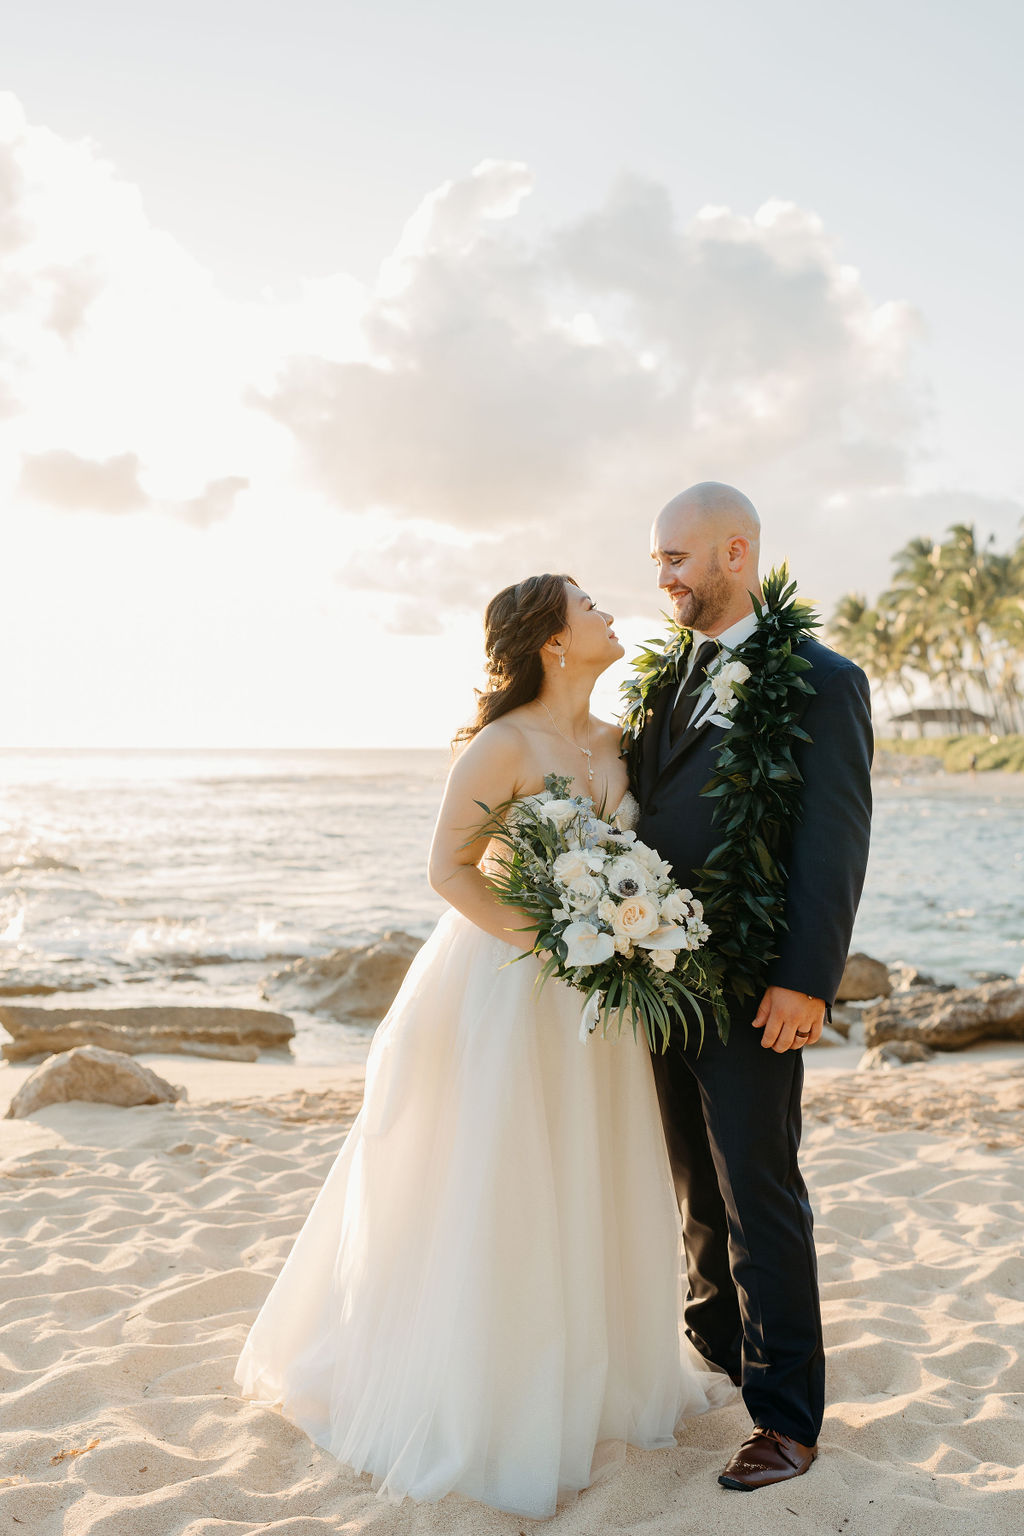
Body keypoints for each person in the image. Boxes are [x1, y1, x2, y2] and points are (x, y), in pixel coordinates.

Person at [233, 573, 727, 1520]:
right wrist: (551, 939)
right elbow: (446, 869)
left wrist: (628, 935)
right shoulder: (503, 746)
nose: (609, 612)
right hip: (509, 988)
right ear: (551, 639)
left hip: (602, 1000)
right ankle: (496, 1389)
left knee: (595, 1173)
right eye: (588, 604)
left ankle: (599, 1381)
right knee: (506, 1181)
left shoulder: (621, 742)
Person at [633, 481, 873, 1492]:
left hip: (754, 982)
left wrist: (806, 981)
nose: (663, 576)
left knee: (758, 1192)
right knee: (694, 1181)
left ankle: (786, 1420)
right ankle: (721, 1352)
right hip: (657, 977)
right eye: (656, 561)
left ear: (737, 551)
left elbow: (832, 838)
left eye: (677, 558)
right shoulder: (665, 679)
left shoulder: (818, 680)